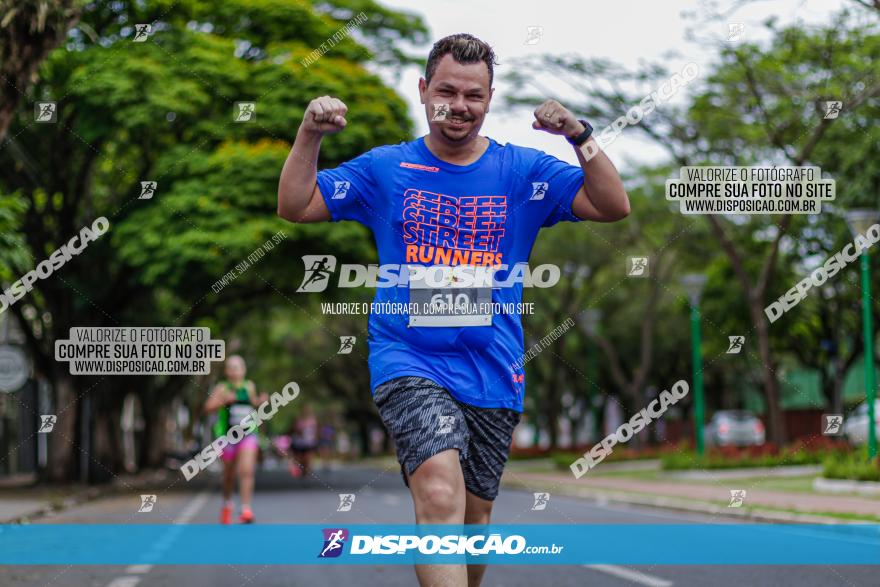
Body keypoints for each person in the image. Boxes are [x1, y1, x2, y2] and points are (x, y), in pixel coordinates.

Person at [277, 33, 629, 587]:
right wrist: (308, 135)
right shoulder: (385, 168)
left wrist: (578, 134)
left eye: (473, 95)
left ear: (490, 99)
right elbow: (296, 204)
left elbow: (613, 204)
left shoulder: (524, 172)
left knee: (475, 517)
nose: (459, 106)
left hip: (494, 366)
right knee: (440, 495)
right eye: (446, 91)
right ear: (423, 91)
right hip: (407, 356)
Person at [204, 355, 267, 524]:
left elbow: (253, 404)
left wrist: (261, 402)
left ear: (244, 370)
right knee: (229, 475)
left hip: (248, 434)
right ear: (226, 371)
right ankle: (227, 503)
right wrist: (223, 400)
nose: (234, 370)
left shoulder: (249, 386)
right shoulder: (222, 388)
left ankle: (246, 508)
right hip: (227, 437)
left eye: (237, 367)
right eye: (230, 367)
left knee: (246, 471)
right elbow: (207, 408)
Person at [289, 404, 319, 478]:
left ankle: (306, 473)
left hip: (309, 443)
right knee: (300, 459)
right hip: (299, 443)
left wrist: (315, 437)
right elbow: (293, 429)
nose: (306, 411)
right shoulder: (298, 419)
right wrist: (298, 431)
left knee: (308, 459)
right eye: (305, 409)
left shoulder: (313, 419)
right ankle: (302, 472)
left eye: (308, 410)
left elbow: (316, 430)